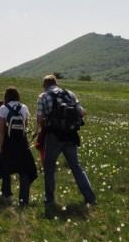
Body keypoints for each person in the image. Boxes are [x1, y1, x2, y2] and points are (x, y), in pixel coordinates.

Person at [34, 75, 96, 206]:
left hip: (54, 136)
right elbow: (81, 113)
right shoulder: (69, 94)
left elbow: (39, 120)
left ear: (45, 85)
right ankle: (90, 198)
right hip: (71, 135)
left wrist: (37, 129)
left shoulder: (43, 96)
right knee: (76, 167)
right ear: (56, 83)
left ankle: (49, 200)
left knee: (49, 168)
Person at [0, 87, 37, 206]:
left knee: (5, 168)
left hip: (8, 142)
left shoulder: (3, 108)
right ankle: (24, 200)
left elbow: (2, 130)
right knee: (24, 170)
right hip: (21, 142)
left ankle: (6, 196)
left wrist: (0, 147)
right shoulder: (24, 107)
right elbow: (26, 124)